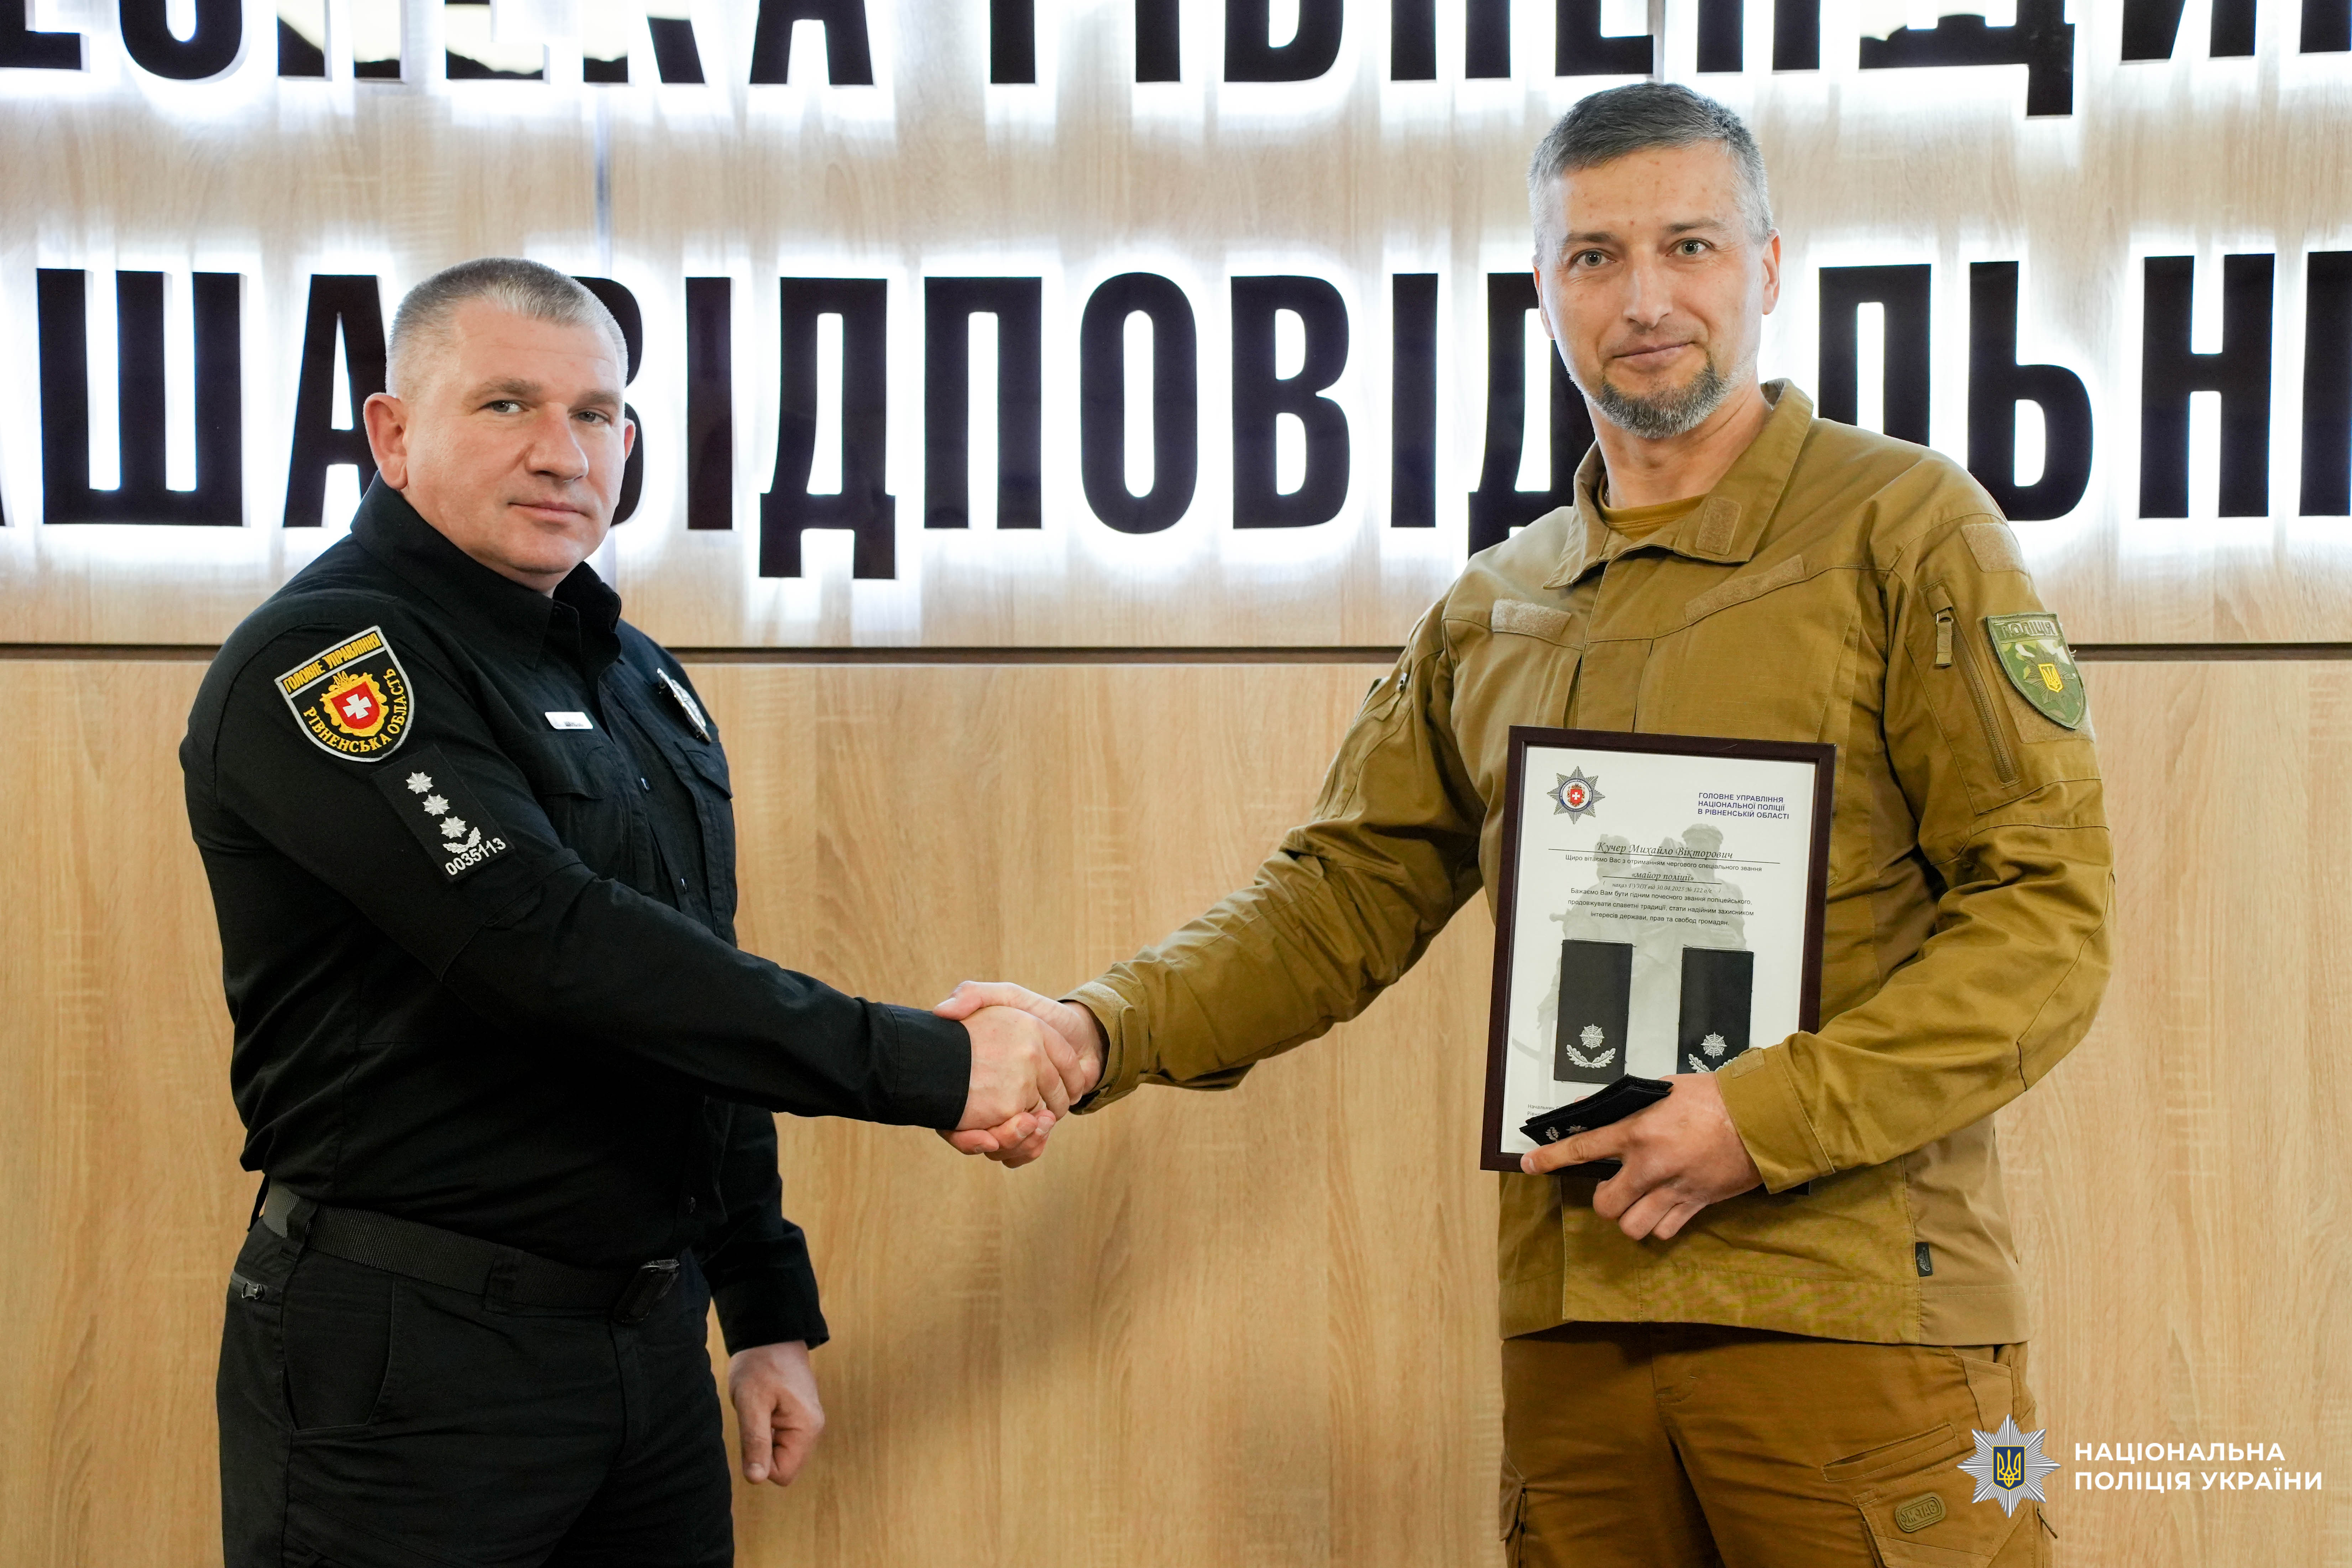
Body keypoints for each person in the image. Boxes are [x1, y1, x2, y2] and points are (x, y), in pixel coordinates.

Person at [940, 84, 2108, 1567]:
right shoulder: (1499, 600)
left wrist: (1759, 1121)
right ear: (1544, 289)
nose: (1644, 299)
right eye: (1594, 257)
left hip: (1853, 1317)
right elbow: (1337, 898)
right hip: (1577, 1327)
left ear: (1764, 267)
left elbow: (2044, 920)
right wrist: (1092, 1029)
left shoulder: (1905, 527)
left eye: (1688, 246)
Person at [181, 258, 1084, 1568]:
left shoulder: (639, 681)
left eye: (597, 413)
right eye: (507, 404)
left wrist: (761, 1301)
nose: (563, 452)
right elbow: (550, 945)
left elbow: (687, 992)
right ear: (393, 433)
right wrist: (932, 1065)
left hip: (644, 1346)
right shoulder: (327, 661)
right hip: (407, 1361)